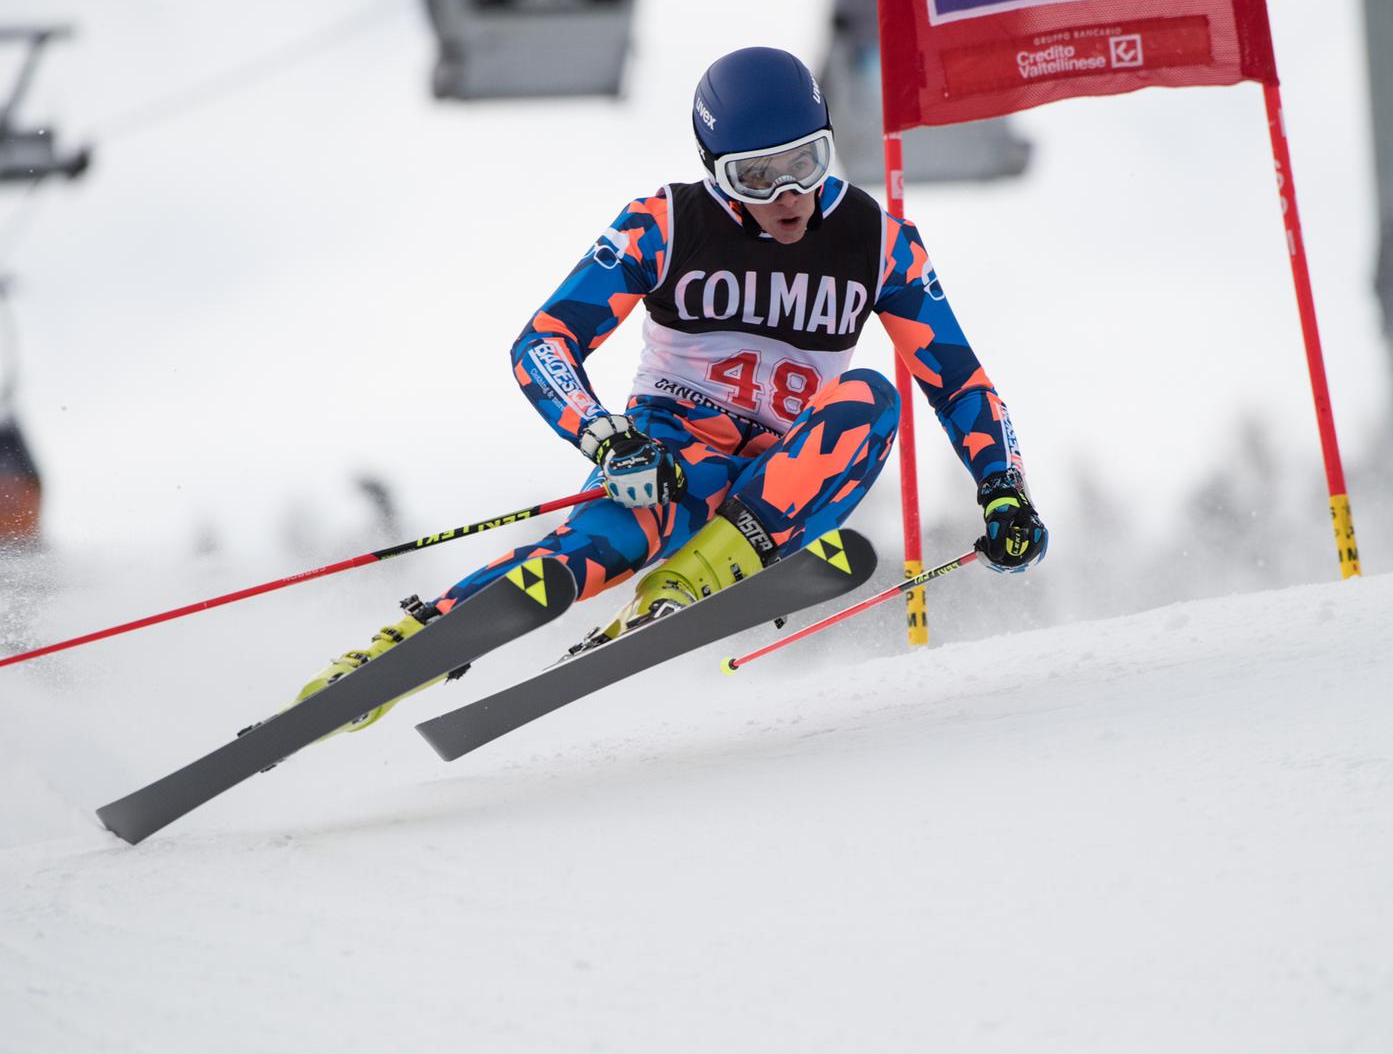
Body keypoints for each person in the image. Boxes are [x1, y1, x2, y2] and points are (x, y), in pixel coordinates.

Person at [291, 46, 1048, 731]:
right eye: (754, 175)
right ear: (715, 170)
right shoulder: (667, 223)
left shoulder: (878, 242)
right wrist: (606, 436)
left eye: (807, 163)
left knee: (871, 400)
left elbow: (957, 379)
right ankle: (396, 656)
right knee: (592, 553)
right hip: (671, 454)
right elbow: (543, 343)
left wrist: (1002, 487)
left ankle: (684, 588)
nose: (787, 193)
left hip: (788, 478)